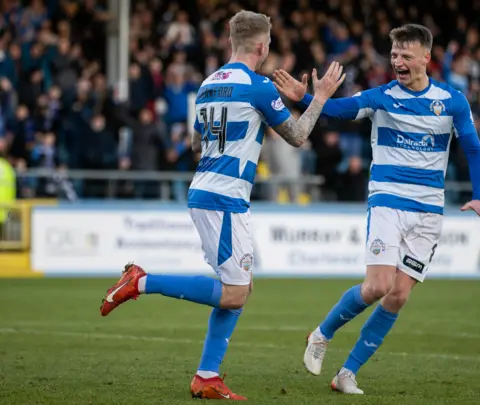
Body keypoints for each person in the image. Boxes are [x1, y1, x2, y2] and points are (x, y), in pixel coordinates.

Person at [99, 10, 345, 400]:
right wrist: (321, 98)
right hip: (225, 197)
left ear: (232, 42)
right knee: (234, 292)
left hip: (208, 190)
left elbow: (198, 145)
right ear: (263, 47)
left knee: (241, 287)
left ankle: (207, 376)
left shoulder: (208, 85)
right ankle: (140, 282)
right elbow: (298, 135)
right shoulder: (259, 87)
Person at [274, 23, 480, 395]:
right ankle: (322, 333)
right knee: (377, 286)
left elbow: (472, 148)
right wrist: (306, 97)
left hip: (428, 212)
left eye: (406, 55)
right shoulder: (381, 97)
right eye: (394, 55)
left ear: (426, 57)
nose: (398, 62)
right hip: (388, 201)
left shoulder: (452, 101)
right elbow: (339, 111)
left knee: (399, 295)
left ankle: (347, 374)